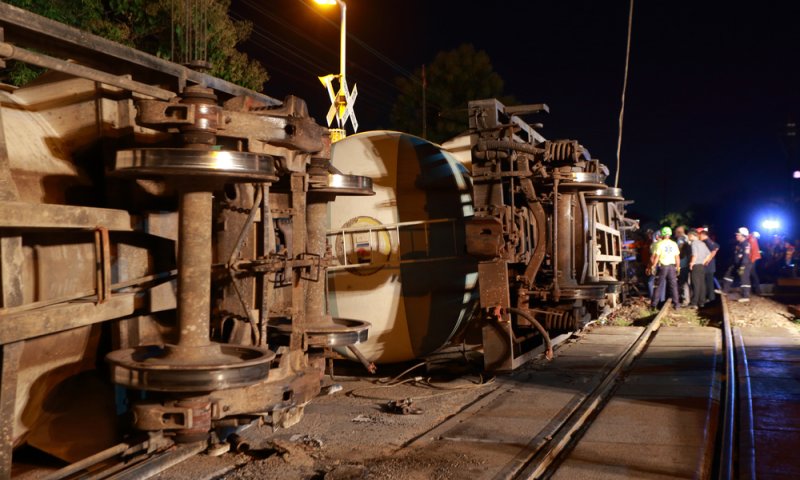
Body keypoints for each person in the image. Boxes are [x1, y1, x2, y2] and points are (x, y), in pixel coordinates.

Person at [650, 226, 680, 308]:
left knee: (658, 286)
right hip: (672, 267)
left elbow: (657, 257)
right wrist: (678, 267)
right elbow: (677, 257)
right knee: (673, 286)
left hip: (663, 267)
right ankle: (677, 305)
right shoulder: (674, 244)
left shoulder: (659, 244)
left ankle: (653, 305)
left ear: (662, 234)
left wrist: (653, 266)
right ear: (670, 234)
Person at [723, 227, 752, 302]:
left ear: (743, 236)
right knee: (728, 274)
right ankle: (725, 290)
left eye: (738, 235)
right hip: (736, 264)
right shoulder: (739, 244)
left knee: (744, 278)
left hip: (743, 264)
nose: (736, 236)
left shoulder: (746, 244)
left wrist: (742, 266)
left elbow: (745, 256)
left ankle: (746, 296)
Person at [688, 229, 710, 308]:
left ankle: (694, 303)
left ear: (692, 236)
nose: (688, 238)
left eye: (689, 236)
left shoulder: (694, 243)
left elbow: (695, 254)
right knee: (702, 284)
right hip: (701, 265)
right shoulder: (702, 243)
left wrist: (691, 263)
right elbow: (708, 254)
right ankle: (702, 302)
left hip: (696, 265)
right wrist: (703, 262)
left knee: (695, 284)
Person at [699, 229, 719, 303]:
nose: (699, 236)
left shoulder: (707, 241)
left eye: (700, 235)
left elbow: (713, 251)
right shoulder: (708, 241)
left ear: (704, 235)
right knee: (708, 282)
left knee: (709, 282)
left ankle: (711, 298)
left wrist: (708, 260)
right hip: (709, 266)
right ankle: (710, 297)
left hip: (708, 266)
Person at [674, 226, 691, 306]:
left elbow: (680, 251)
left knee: (683, 282)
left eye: (676, 232)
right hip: (686, 263)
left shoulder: (681, 239)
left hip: (683, 263)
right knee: (686, 282)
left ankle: (685, 300)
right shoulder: (687, 238)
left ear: (679, 232)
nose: (675, 233)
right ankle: (686, 298)